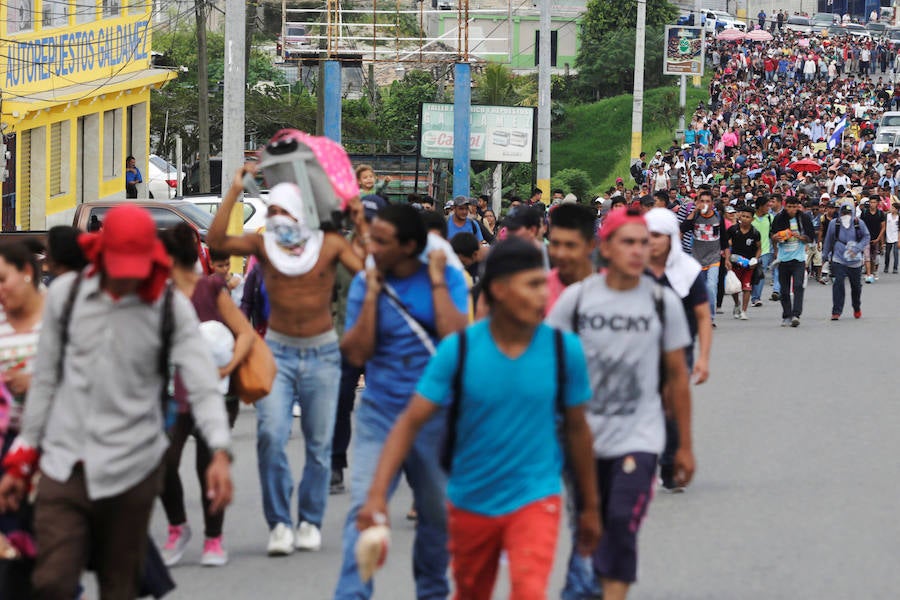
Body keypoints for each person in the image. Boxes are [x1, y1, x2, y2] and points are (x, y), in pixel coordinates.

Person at [0, 204, 233, 599]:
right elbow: (47, 382)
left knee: (118, 586)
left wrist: (220, 452)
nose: (125, 278)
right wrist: (23, 457)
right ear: (100, 254)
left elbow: (202, 382)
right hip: (64, 462)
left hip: (132, 468)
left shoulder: (169, 306)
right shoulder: (67, 297)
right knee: (51, 581)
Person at [358, 237, 600, 600]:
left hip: (536, 497)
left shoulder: (565, 351)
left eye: (542, 284)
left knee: (530, 591)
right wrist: (376, 496)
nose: (543, 296)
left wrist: (591, 507)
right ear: (499, 290)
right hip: (470, 501)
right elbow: (410, 422)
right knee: (471, 591)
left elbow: (579, 431)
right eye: (532, 285)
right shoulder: (460, 350)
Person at [208, 167, 366, 555]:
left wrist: (360, 225)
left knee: (317, 443)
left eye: (284, 210)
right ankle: (279, 523)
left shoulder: (328, 244)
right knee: (270, 436)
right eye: (271, 210)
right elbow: (215, 240)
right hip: (277, 351)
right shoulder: (265, 246)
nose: (276, 217)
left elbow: (367, 270)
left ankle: (309, 520)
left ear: (300, 212)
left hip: (323, 352)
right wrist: (233, 189)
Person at [548, 207, 695, 600]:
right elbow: (547, 363)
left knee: (621, 521)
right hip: (581, 438)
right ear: (605, 248)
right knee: (589, 526)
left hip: (640, 436)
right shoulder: (576, 301)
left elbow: (677, 377)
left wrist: (683, 445)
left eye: (644, 243)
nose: (638, 251)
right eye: (628, 242)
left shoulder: (663, 303)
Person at [334, 204, 468, 598]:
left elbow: (457, 339)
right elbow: (356, 354)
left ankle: (431, 592)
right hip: (381, 413)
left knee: (436, 517)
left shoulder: (445, 275)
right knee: (364, 511)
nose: (370, 247)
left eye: (381, 241)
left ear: (410, 246)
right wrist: (373, 295)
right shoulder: (366, 281)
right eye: (371, 238)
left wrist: (439, 281)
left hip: (436, 417)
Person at [158, 224, 255, 568]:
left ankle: (214, 538)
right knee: (163, 462)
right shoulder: (159, 297)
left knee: (206, 466)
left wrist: (227, 369)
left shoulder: (211, 288)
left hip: (216, 392)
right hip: (172, 395)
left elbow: (244, 334)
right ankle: (177, 527)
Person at [644, 208, 711, 495]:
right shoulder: (633, 269)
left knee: (671, 405)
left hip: (677, 348)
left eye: (657, 236)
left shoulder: (689, 271)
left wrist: (703, 358)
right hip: (641, 349)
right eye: (647, 236)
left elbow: (703, 316)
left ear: (672, 238)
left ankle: (669, 464)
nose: (652, 242)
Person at [0, 243, 45, 591]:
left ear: (26, 273)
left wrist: (36, 382)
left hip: (54, 448)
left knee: (52, 554)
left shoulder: (58, 318)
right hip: (7, 449)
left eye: (3, 279)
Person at [680, 188, 727, 326]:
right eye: (702, 201)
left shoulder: (718, 217)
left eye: (708, 201)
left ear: (712, 203)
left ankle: (710, 317)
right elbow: (683, 228)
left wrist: (727, 257)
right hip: (697, 259)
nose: (705, 204)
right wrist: (694, 212)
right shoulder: (695, 217)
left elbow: (724, 239)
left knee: (712, 286)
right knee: (698, 288)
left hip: (714, 258)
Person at [771, 196, 816, 327]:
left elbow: (810, 237)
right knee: (784, 290)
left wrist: (800, 237)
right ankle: (786, 315)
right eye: (789, 207)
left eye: (794, 207)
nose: (791, 210)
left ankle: (796, 314)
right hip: (783, 259)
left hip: (799, 259)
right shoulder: (779, 218)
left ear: (798, 207)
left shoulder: (804, 218)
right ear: (785, 206)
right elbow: (772, 235)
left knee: (798, 286)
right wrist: (778, 237)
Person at [823, 202, 870, 320]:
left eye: (848, 213)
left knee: (856, 287)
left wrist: (857, 248)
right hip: (839, 258)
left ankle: (857, 307)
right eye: (843, 213)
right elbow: (828, 240)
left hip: (855, 260)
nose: (846, 215)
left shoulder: (858, 223)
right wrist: (824, 257)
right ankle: (836, 311)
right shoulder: (834, 224)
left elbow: (866, 237)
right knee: (838, 283)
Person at [724, 205, 762, 320]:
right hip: (735, 263)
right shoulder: (733, 230)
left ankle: (744, 311)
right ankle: (737, 304)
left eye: (748, 217)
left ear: (752, 219)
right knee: (735, 288)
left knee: (747, 288)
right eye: (743, 216)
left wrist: (755, 259)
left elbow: (759, 248)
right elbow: (726, 244)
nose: (745, 219)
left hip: (749, 265)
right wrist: (727, 258)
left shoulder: (755, 233)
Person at [859, 199, 885, 283]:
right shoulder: (865, 212)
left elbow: (883, 227)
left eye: (874, 202)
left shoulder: (880, 213)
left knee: (873, 258)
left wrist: (879, 239)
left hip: (876, 238)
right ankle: (868, 274)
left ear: (877, 203)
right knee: (867, 257)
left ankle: (872, 272)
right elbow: (860, 224)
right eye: (871, 202)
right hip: (866, 238)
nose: (872, 204)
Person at [885, 203, 899, 274]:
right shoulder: (887, 216)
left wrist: (899, 240)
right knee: (887, 253)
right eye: (891, 208)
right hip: (888, 237)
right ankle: (886, 266)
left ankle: (895, 268)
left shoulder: (898, 217)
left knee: (895, 253)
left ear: (897, 210)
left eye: (893, 208)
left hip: (896, 237)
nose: (891, 209)